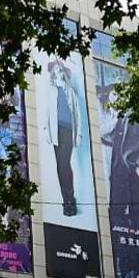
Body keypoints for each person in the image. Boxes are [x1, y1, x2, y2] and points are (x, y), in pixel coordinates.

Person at [43, 58, 84, 217]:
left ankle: (70, 199)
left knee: (65, 164)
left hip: (68, 130)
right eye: (55, 70)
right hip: (56, 131)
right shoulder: (51, 90)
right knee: (60, 165)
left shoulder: (71, 91)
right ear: (53, 73)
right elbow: (47, 112)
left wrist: (78, 134)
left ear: (63, 72)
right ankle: (66, 201)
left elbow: (78, 115)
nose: (58, 72)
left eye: (60, 69)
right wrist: (47, 131)